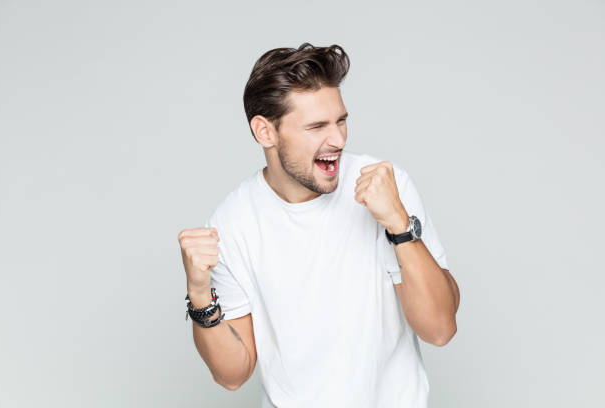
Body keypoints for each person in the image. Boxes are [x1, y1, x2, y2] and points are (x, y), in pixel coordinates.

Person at [178, 43, 460, 407]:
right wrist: (200, 294)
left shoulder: (384, 185)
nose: (339, 140)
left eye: (341, 121)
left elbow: (439, 329)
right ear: (265, 132)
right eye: (317, 127)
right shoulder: (232, 222)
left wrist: (399, 224)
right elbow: (233, 374)